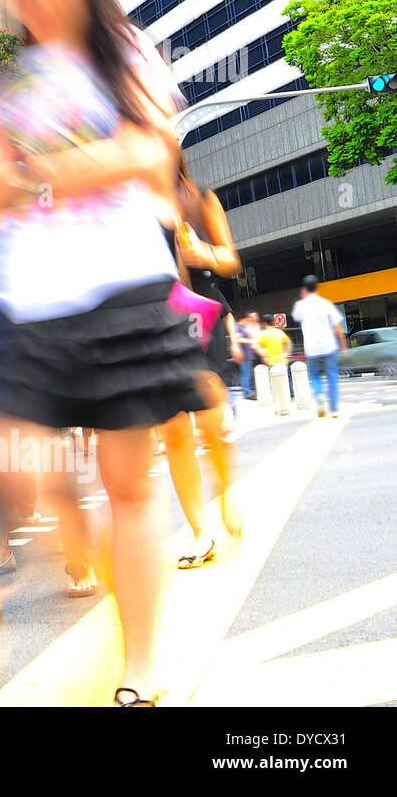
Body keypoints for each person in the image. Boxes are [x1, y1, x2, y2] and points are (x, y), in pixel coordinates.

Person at [0, 0, 211, 707]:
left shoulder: (124, 54)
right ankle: (79, 555)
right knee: (14, 467)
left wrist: (45, 172)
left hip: (120, 287)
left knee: (129, 485)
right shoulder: (2, 84)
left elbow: (152, 150)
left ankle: (140, 663)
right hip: (28, 301)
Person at [157, 158, 243, 568]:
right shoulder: (129, 205)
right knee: (173, 432)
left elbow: (230, 259)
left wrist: (202, 251)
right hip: (154, 321)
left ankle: (226, 486)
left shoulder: (200, 197)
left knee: (211, 424)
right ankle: (199, 532)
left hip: (200, 317)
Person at [292, 275, 347, 417]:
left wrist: (303, 298)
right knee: (332, 376)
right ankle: (334, 409)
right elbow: (338, 327)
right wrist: (344, 345)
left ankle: (320, 396)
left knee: (315, 376)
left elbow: (296, 317)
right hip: (329, 345)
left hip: (311, 347)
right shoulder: (326, 304)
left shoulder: (300, 306)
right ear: (317, 287)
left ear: (304, 289)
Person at [236, 311, 262, 400]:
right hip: (244, 355)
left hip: (248, 355)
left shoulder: (243, 328)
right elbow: (239, 339)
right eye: (247, 320)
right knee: (245, 375)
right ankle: (247, 393)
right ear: (242, 319)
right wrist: (251, 341)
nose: (248, 322)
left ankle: (249, 391)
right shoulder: (238, 328)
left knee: (248, 374)